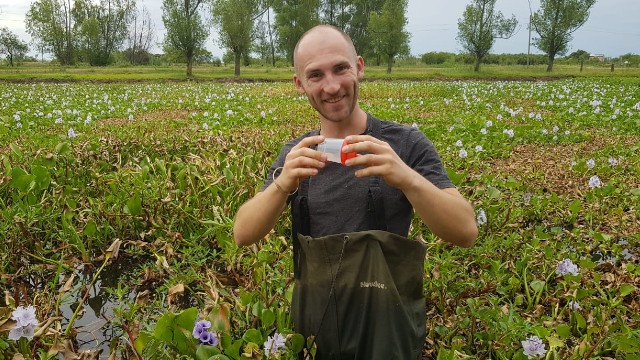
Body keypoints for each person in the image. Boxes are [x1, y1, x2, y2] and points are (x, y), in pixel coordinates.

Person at [234, 25, 477, 359]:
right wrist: (283, 182)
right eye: (315, 75)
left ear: (359, 67)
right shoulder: (296, 153)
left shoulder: (406, 144)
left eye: (340, 68)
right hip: (316, 328)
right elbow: (242, 233)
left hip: (386, 329)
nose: (332, 86)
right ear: (299, 84)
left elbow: (465, 231)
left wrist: (406, 177)